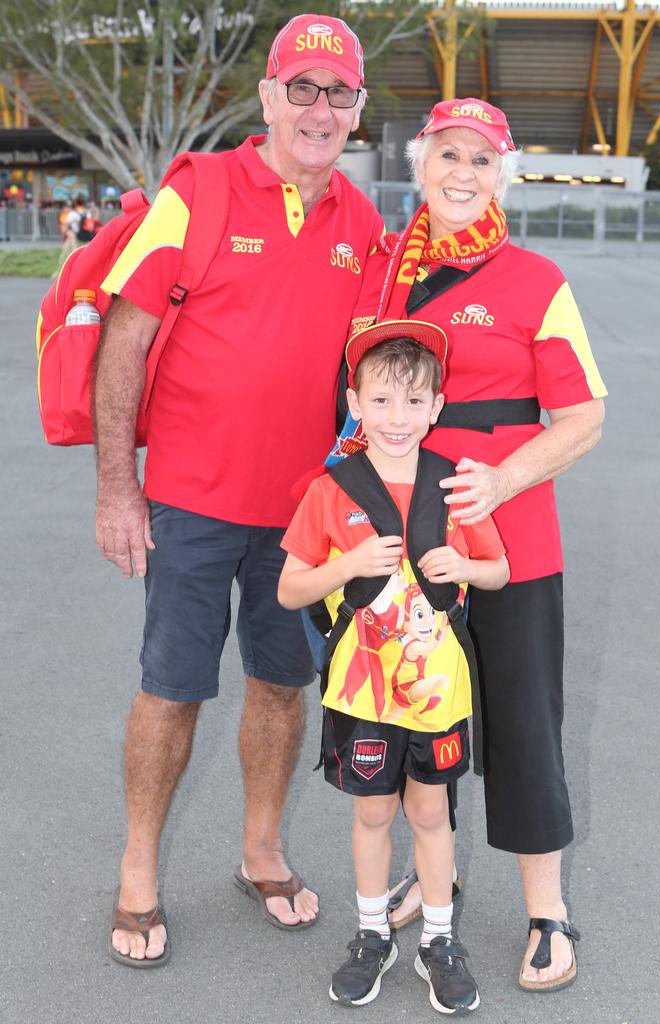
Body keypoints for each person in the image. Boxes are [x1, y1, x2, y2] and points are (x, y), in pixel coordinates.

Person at [93, 13, 384, 966]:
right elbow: (124, 338)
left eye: (337, 93)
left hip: (300, 515)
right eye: (301, 88)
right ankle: (139, 870)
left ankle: (261, 851)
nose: (318, 108)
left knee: (280, 687)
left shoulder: (364, 222)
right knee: (171, 689)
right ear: (267, 98)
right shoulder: (204, 192)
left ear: (357, 112)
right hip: (187, 498)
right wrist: (117, 489)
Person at [341, 98, 607, 992]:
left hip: (512, 532)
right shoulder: (383, 270)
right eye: (447, 154)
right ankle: (436, 872)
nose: (463, 173)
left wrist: (500, 481)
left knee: (525, 720)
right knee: (421, 712)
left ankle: (546, 909)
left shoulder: (536, 279)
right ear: (419, 165)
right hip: (401, 538)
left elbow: (585, 417)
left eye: (481, 160)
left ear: (504, 175)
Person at [278, 322, 508, 1010]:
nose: (397, 418)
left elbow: (498, 571)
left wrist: (465, 565)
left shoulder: (454, 486)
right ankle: (371, 933)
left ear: (437, 406)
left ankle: (439, 940)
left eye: (413, 402)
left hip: (436, 692)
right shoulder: (332, 490)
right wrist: (345, 565)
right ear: (355, 401)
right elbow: (291, 588)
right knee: (375, 813)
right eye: (380, 401)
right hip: (363, 693)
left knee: (432, 813)